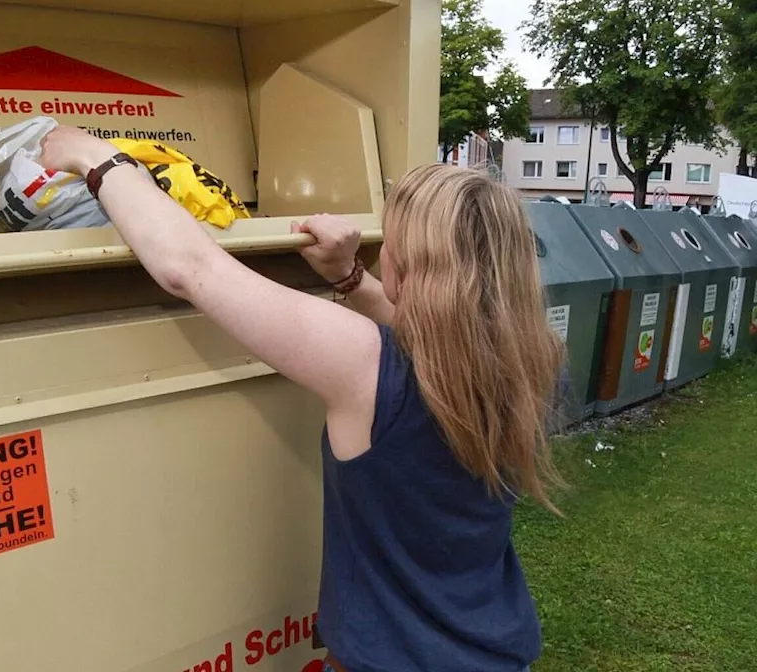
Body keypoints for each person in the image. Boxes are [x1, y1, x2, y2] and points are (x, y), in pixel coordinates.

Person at [37, 125, 565, 672]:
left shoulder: (364, 363)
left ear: (411, 271)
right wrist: (350, 276)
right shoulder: (537, 364)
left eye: (392, 251)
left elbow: (190, 268)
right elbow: (438, 338)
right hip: (498, 653)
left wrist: (95, 157)